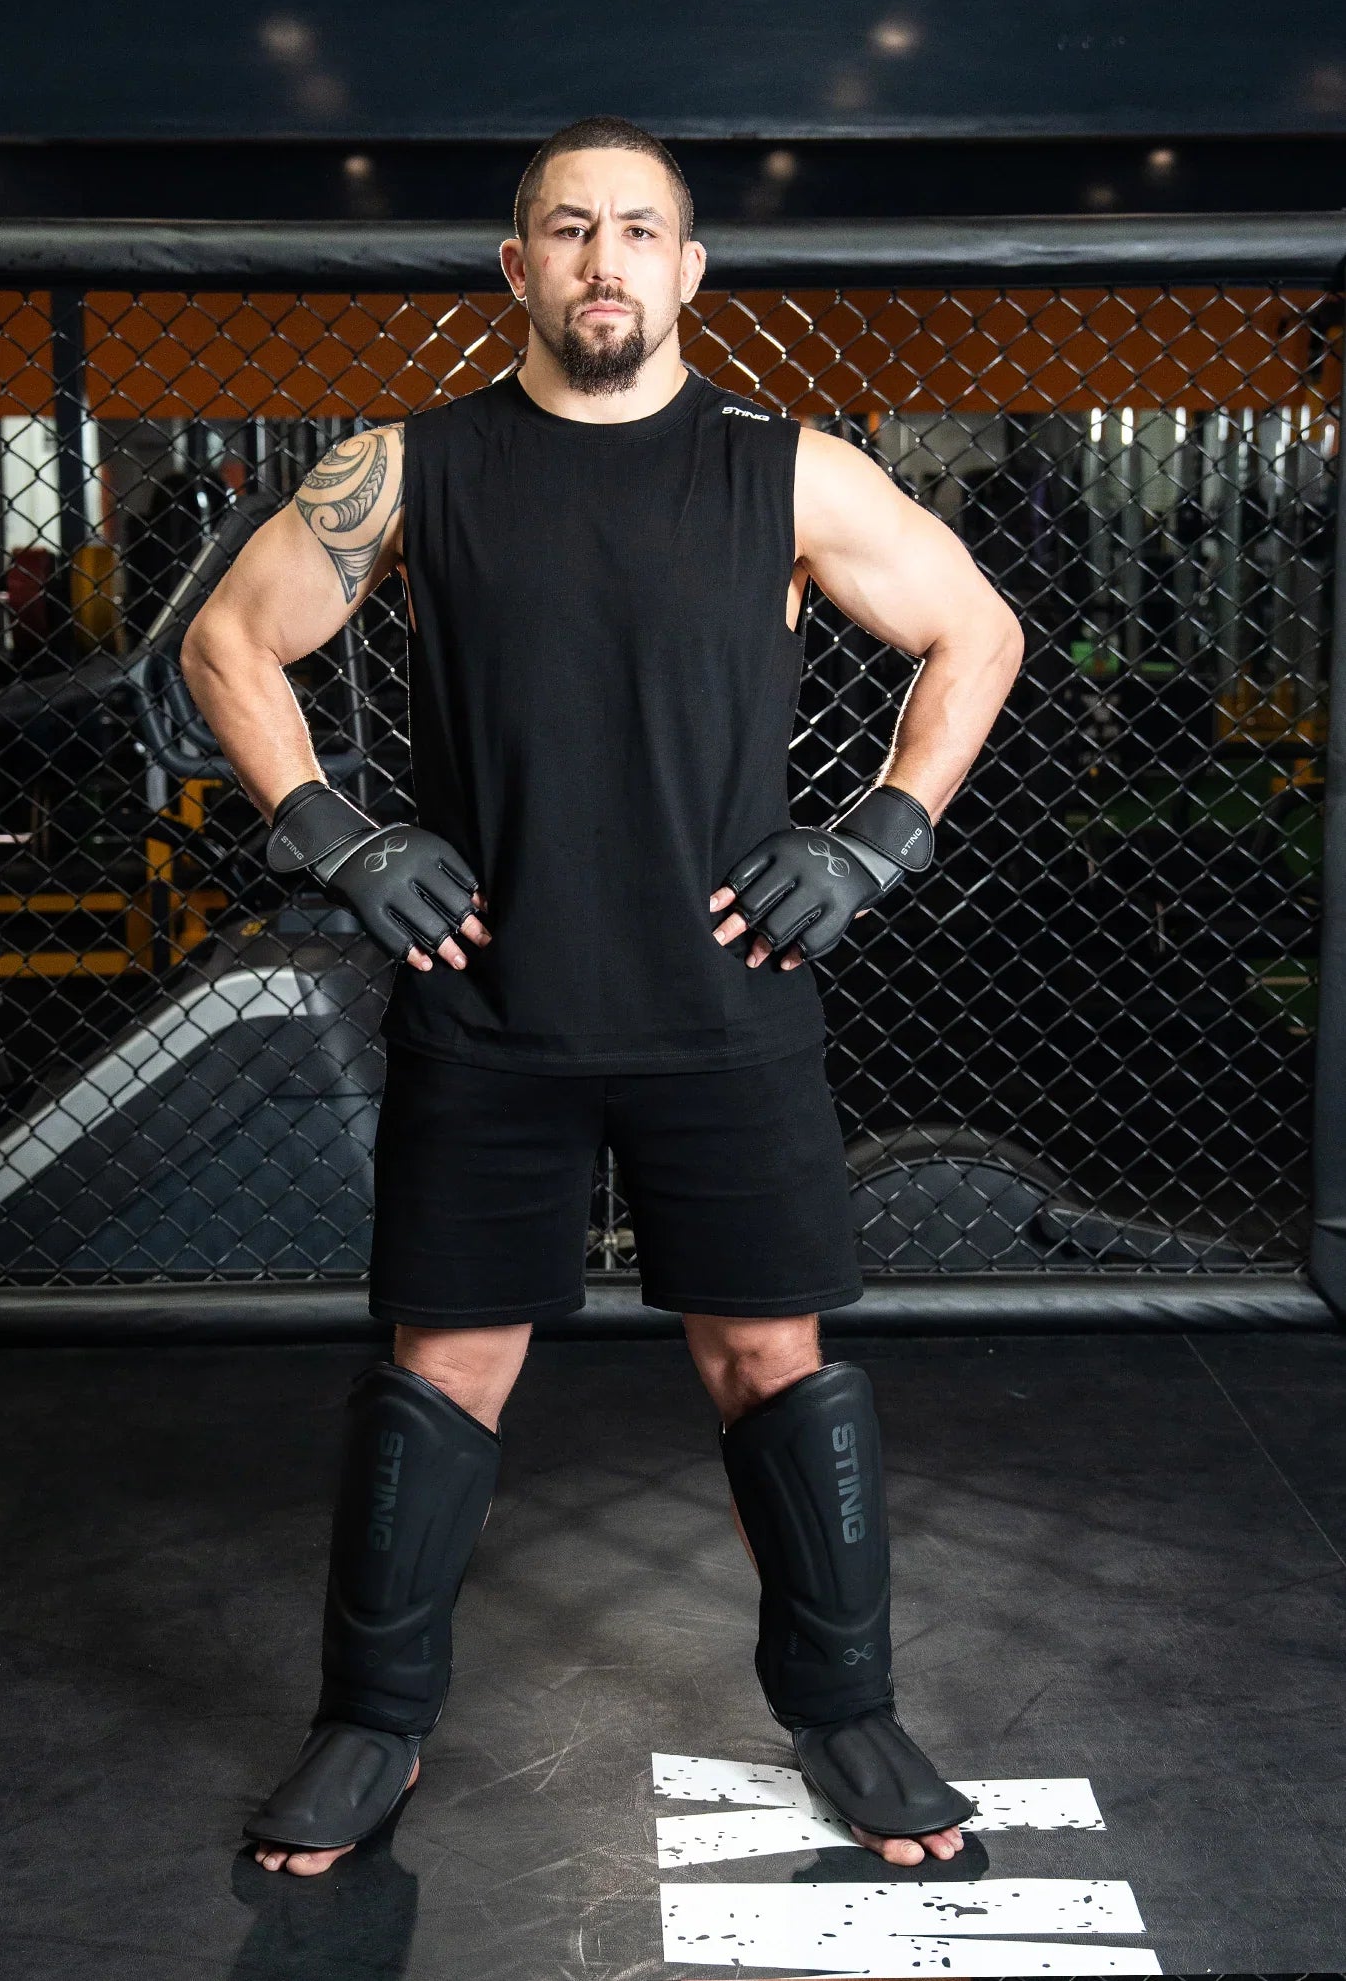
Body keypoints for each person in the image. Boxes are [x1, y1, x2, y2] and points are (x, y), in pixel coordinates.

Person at [180, 117, 1024, 1881]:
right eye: (570, 229)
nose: (605, 259)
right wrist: (334, 832)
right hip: (489, 1002)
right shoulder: (408, 468)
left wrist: (879, 837)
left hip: (727, 1002)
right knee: (446, 1366)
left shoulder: (786, 472)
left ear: (690, 269)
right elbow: (228, 640)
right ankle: (371, 1724)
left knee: (771, 1357)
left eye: (640, 229)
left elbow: (980, 632)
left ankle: (848, 1711)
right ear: (520, 266)